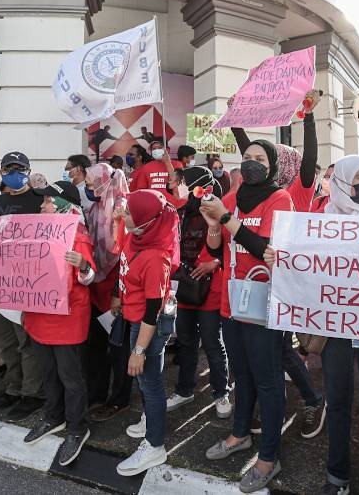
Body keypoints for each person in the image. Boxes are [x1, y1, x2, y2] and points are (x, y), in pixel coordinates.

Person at [232, 91, 327, 438]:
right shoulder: (261, 192)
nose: (255, 161)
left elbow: (310, 155)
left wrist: (308, 117)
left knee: (280, 350)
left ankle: (311, 399)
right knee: (275, 351)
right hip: (261, 275)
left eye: (266, 157)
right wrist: (236, 122)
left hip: (287, 277)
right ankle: (300, 400)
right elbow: (249, 148)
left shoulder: (298, 190)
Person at [301, 155, 359, 495]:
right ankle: (337, 475)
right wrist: (279, 257)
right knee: (338, 401)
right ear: (341, 181)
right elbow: (303, 265)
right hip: (333, 329)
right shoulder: (316, 219)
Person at [200, 140, 293, 493]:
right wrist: (213, 225)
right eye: (247, 158)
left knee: (268, 381)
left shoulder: (279, 199)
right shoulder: (232, 197)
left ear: (272, 165)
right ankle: (240, 434)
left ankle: (269, 456)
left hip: (264, 303)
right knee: (242, 374)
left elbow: (263, 246)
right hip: (231, 302)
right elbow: (216, 248)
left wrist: (226, 219)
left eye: (259, 158)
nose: (251, 163)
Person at [21, 181, 97, 467]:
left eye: (48, 202)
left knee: (71, 378)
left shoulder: (78, 236)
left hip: (66, 322)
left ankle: (77, 428)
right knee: (48, 373)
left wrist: (83, 265)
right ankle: (53, 417)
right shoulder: (35, 232)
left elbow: (89, 277)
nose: (41, 206)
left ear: (65, 205)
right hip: (39, 318)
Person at [114, 190, 179, 476]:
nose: (123, 215)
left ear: (145, 220)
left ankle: (154, 446)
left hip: (148, 326)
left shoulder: (155, 258)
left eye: (128, 212)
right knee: (145, 381)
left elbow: (153, 311)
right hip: (136, 317)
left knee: (150, 383)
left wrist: (138, 351)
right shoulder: (138, 235)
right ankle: (150, 420)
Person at [0, 152, 46, 422]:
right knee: (3, 340)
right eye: (8, 168)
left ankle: (32, 393)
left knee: (26, 342)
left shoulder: (40, 200)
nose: (14, 172)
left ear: (29, 171)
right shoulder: (2, 201)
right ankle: (13, 387)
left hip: (25, 282)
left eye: (20, 168)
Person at [167, 166, 231, 419]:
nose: (178, 186)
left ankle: (220, 392)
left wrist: (212, 263)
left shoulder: (219, 209)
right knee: (186, 343)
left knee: (213, 344)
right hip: (184, 287)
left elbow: (229, 244)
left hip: (211, 289)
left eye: (183, 182)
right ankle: (184, 390)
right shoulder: (181, 211)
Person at [85, 163, 134, 423]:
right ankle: (96, 394)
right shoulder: (95, 208)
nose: (89, 189)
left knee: (119, 348)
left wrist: (117, 292)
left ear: (105, 182)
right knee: (96, 347)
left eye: (93, 184)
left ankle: (120, 399)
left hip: (117, 292)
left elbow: (125, 254)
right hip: (95, 287)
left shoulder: (122, 210)